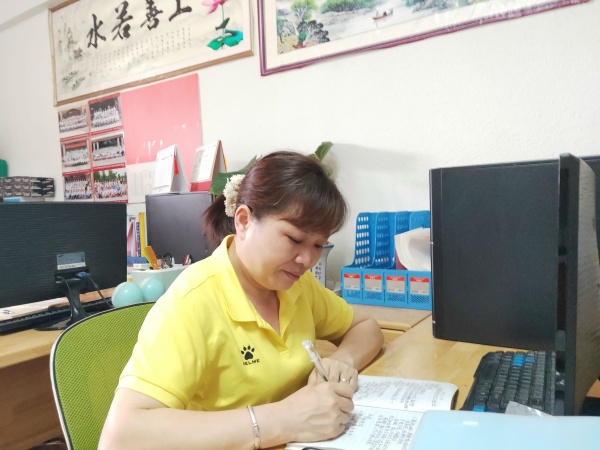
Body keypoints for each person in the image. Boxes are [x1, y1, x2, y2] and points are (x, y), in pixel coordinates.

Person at [99, 150, 384, 450]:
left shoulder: (296, 285)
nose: (307, 260)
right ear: (244, 221)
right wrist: (282, 420)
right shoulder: (194, 301)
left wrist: (343, 359)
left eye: (318, 245)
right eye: (294, 239)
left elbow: (365, 326)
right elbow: (119, 438)